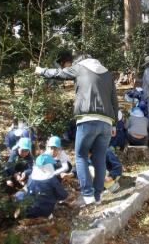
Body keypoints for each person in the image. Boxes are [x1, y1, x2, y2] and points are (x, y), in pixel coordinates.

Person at [35, 54, 118, 207]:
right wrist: (114, 125)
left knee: (80, 156)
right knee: (99, 159)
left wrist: (41, 71)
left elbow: (60, 73)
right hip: (106, 122)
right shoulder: (107, 73)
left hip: (87, 119)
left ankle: (87, 195)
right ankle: (98, 196)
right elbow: (114, 99)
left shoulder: (80, 67)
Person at [15, 153, 68, 219]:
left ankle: (22, 213)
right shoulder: (51, 180)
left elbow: (29, 193)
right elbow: (63, 195)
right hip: (46, 212)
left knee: (19, 194)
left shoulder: (31, 178)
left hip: (31, 211)